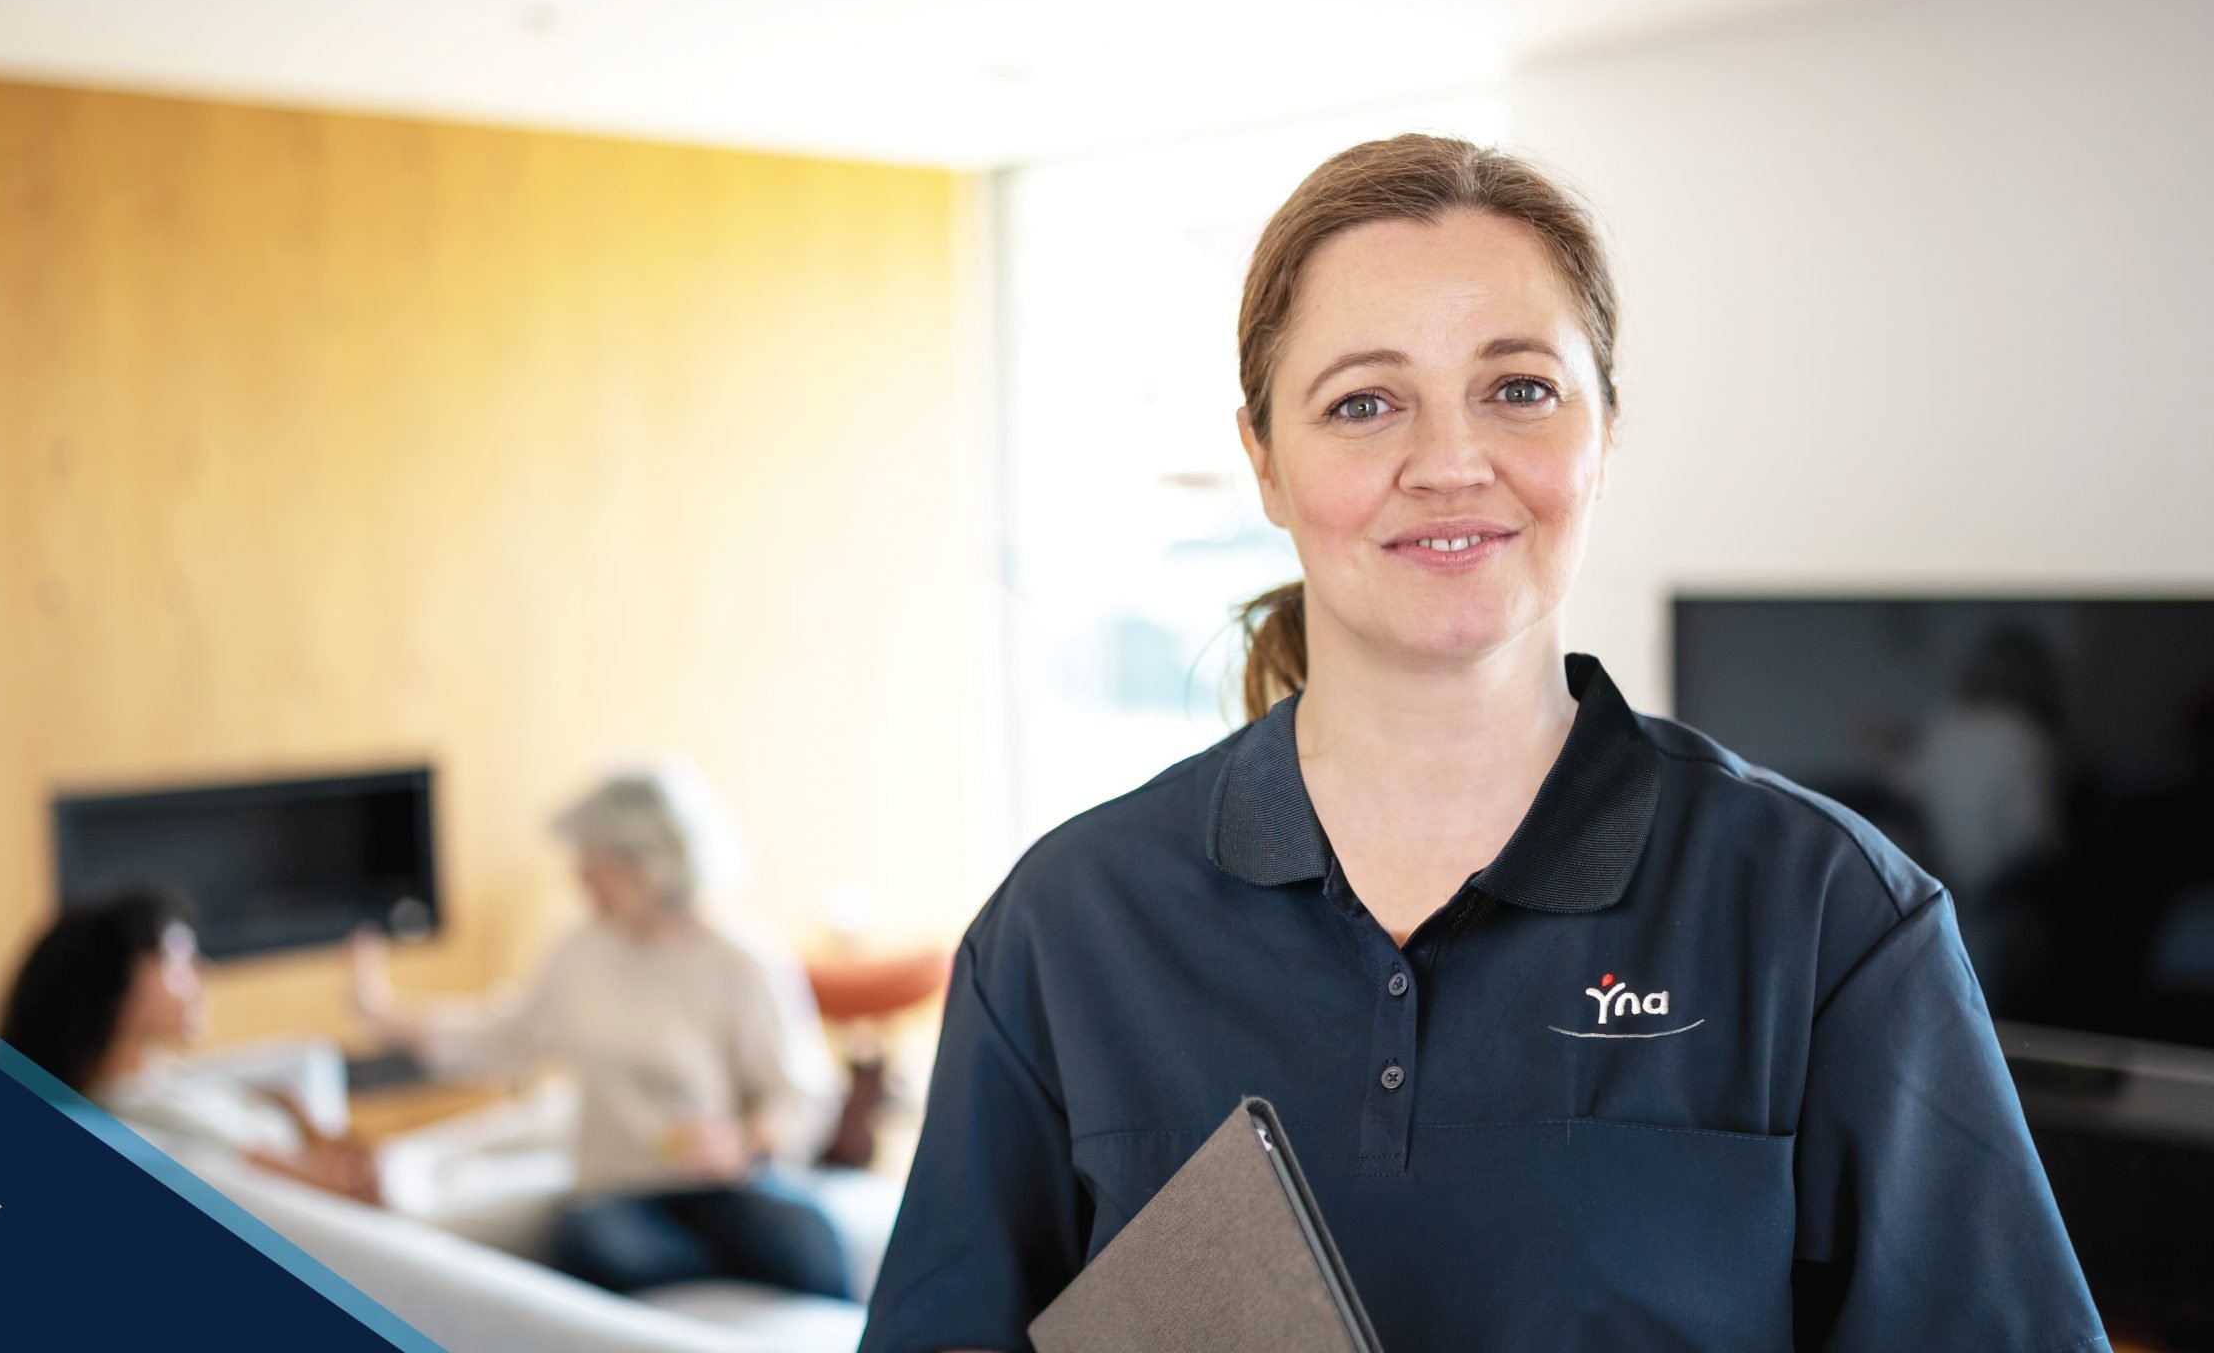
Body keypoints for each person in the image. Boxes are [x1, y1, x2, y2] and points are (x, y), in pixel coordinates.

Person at [858, 135, 2106, 1353]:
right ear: (1264, 462)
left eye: (1518, 389)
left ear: (1603, 431)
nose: (1450, 463)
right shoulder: (1070, 925)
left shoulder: (1829, 914)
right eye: (1362, 403)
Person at [349, 761, 850, 1299]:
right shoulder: (579, 953)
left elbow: (801, 1094)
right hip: (619, 1192)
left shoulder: (743, 961)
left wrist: (744, 1141)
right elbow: (505, 1036)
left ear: (650, 862)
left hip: (728, 1184)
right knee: (592, 1243)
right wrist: (385, 1015)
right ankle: (721, 1273)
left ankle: (729, 1272)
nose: (581, 879)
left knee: (809, 1238)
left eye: (595, 862)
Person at [0, 888, 381, 1203]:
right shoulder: (142, 1111)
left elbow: (272, 1099)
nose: (203, 971)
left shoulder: (151, 1074)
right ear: (112, 987)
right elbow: (333, 1190)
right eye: (176, 960)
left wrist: (308, 1123)